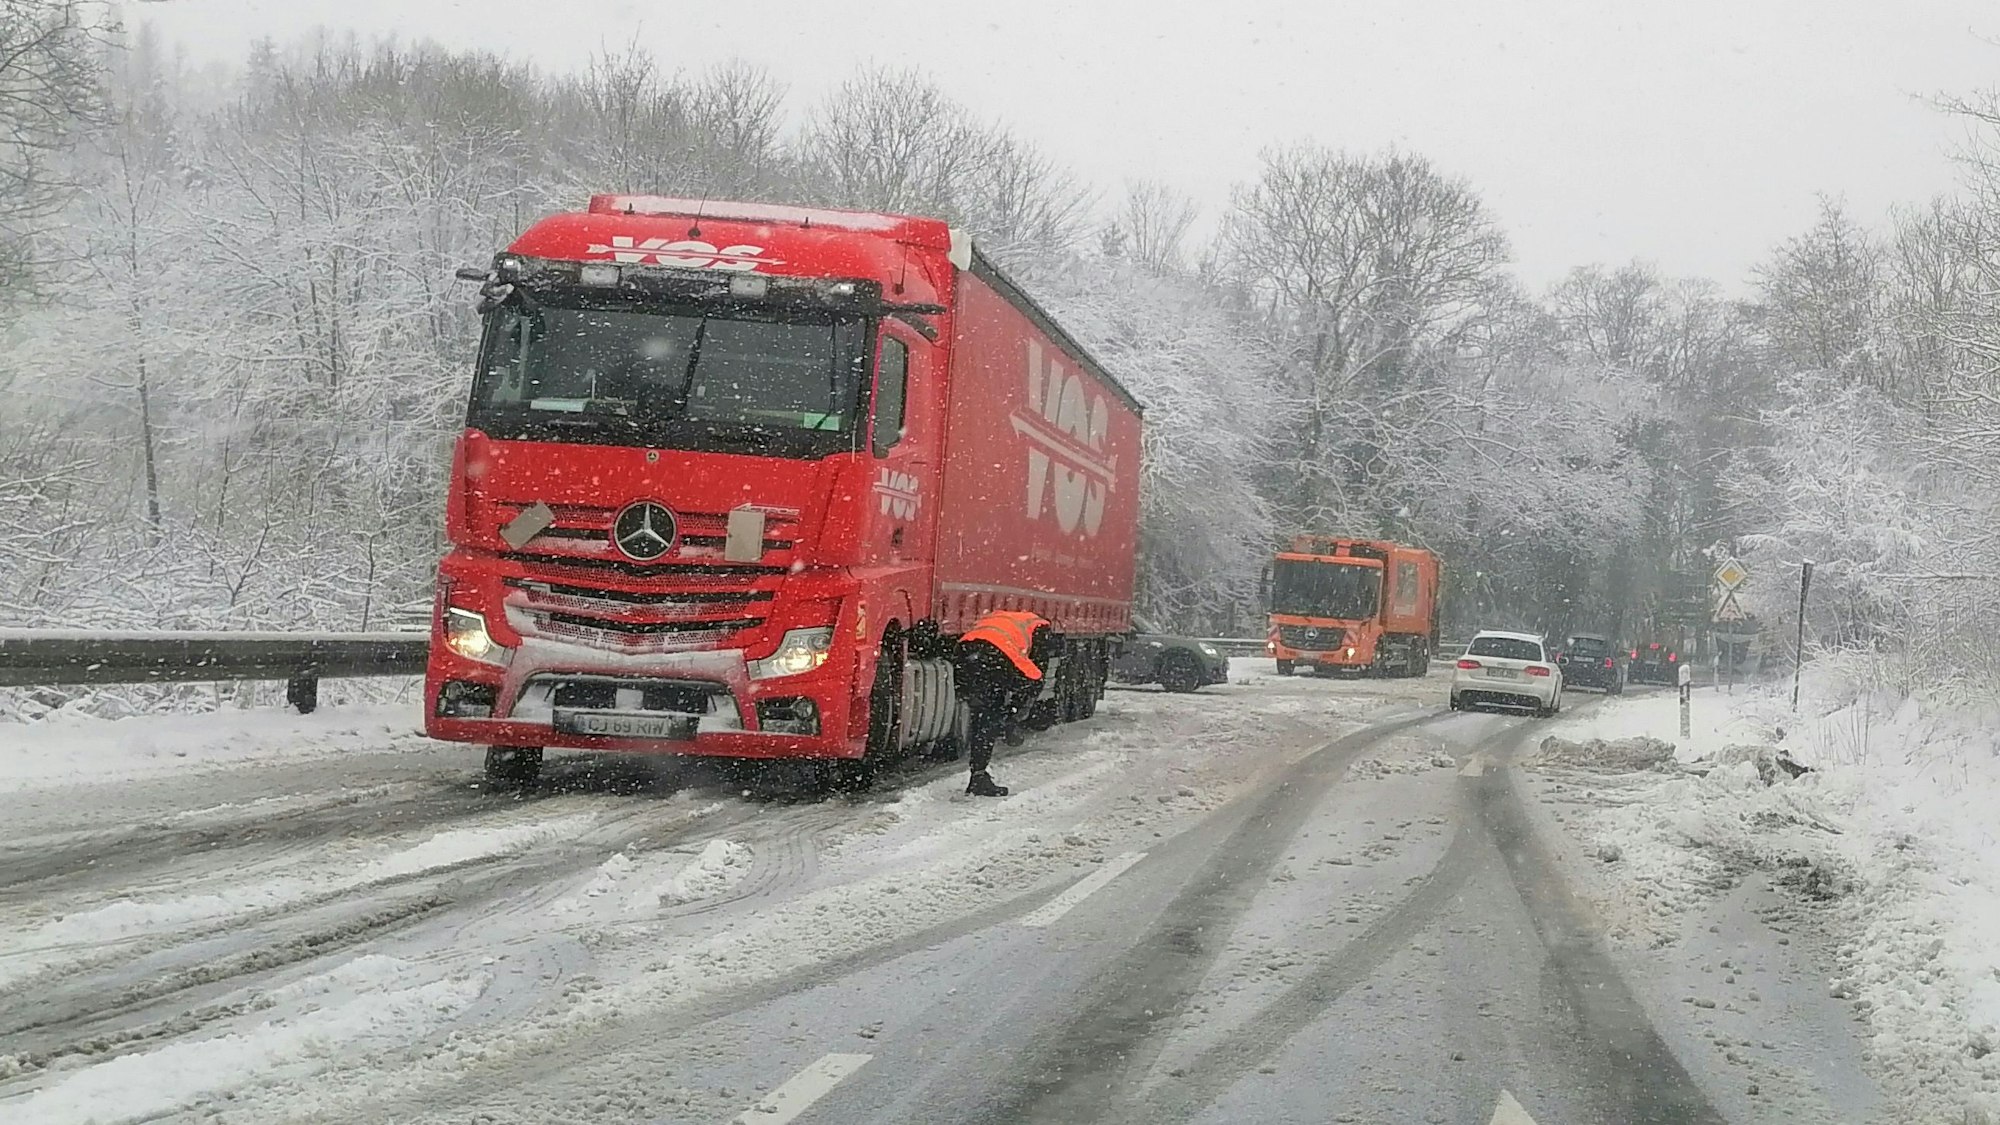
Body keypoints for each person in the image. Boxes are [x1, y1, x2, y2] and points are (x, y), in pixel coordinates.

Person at [954, 609, 1058, 797]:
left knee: (982, 715)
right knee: (991, 715)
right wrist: (1016, 713)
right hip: (997, 656)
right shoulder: (1041, 628)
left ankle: (978, 775)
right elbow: (1037, 673)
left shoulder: (1005, 618)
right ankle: (980, 775)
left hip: (964, 653)